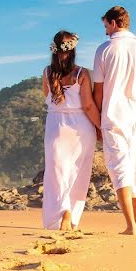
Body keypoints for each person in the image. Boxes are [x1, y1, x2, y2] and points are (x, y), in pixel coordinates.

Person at [93, 6, 136, 236]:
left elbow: (98, 93)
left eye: (105, 26)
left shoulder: (104, 50)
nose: (105, 31)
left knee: (119, 169)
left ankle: (130, 225)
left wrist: (96, 121)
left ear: (113, 23)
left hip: (113, 117)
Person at [41, 30, 101, 231]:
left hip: (56, 126)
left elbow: (47, 98)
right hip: (81, 126)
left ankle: (62, 212)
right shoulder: (81, 73)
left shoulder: (47, 73)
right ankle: (71, 216)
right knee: (78, 173)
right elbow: (89, 106)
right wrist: (100, 128)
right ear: (74, 50)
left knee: (56, 175)